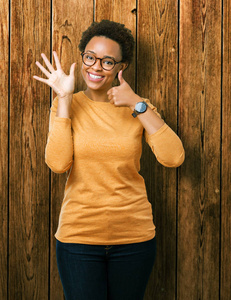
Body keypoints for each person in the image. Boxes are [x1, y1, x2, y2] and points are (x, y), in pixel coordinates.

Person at [33, 20, 185, 300]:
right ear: (82, 58)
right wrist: (64, 98)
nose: (95, 67)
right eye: (90, 57)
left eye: (107, 61)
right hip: (78, 238)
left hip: (134, 238)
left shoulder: (139, 107)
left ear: (120, 67)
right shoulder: (66, 104)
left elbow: (173, 157)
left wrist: (136, 104)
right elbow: (58, 163)